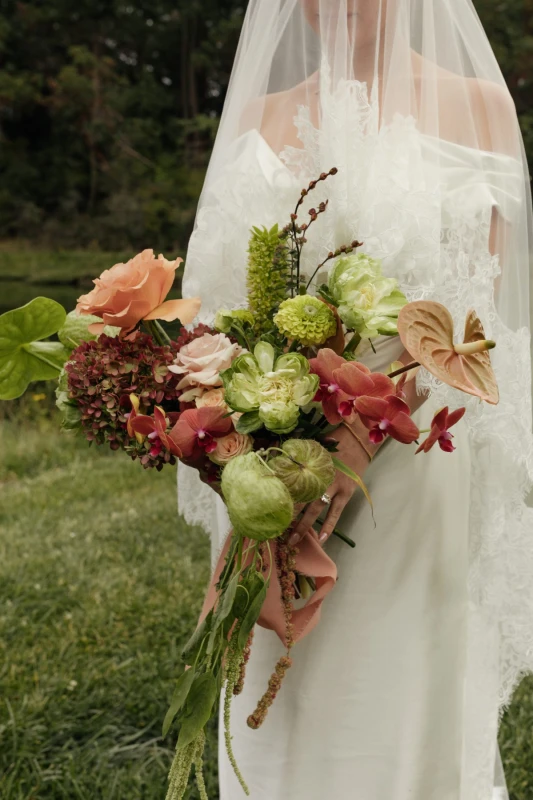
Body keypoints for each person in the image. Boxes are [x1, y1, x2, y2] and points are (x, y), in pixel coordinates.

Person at [179, 1, 533, 798]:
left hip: (411, 464)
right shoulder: (257, 120)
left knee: (398, 692)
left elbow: (481, 312)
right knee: (287, 688)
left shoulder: (474, 104)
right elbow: (212, 308)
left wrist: (355, 444)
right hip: (271, 466)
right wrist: (242, 437)